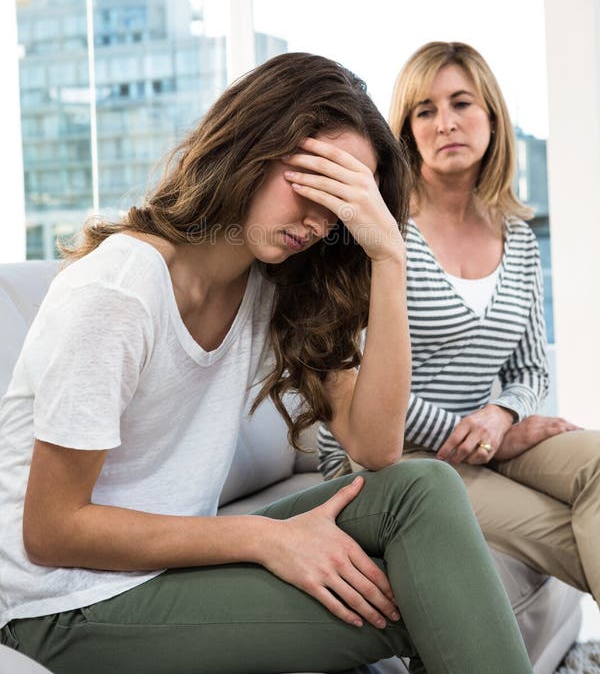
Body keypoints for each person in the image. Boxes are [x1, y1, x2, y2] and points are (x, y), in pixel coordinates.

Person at [0, 52, 533, 674]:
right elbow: (53, 528)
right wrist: (263, 537)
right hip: (62, 605)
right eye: (310, 183)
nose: (318, 219)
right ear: (251, 144)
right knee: (434, 594)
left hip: (166, 568)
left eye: (340, 205)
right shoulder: (119, 289)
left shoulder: (269, 287)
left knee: (422, 490)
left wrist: (389, 256)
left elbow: (378, 447)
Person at [319, 41, 600, 610]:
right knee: (566, 527)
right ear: (405, 130)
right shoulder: (384, 235)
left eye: (461, 103)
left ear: (492, 119)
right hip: (398, 453)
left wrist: (501, 416)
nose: (445, 123)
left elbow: (530, 365)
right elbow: (361, 386)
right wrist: (482, 439)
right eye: (425, 110)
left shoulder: (518, 237)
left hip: (483, 434)